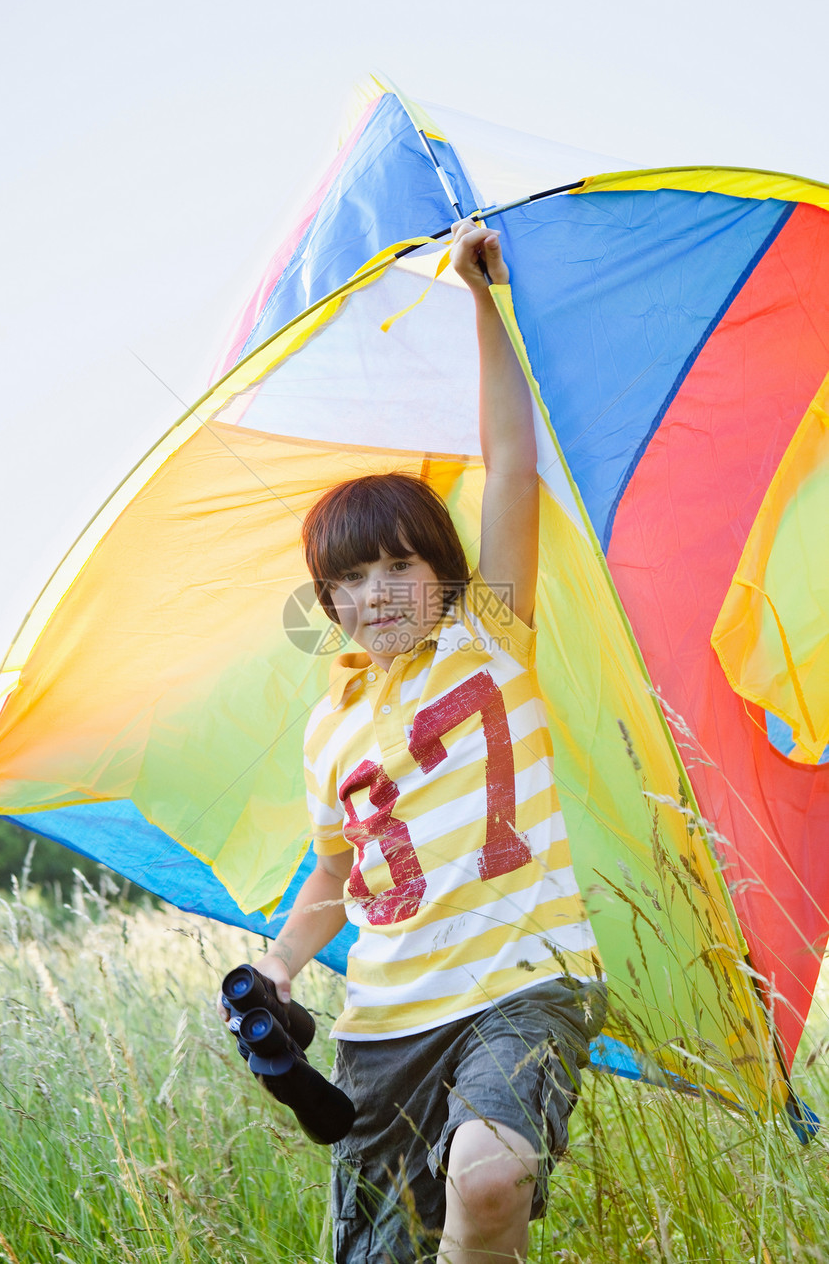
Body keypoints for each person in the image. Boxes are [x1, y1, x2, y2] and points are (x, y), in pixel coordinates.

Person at [221, 220, 605, 1263]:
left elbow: (511, 463)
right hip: (383, 1021)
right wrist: (283, 965)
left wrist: (483, 300)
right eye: (347, 580)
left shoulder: (490, 635)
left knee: (489, 1178)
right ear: (326, 601)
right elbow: (336, 874)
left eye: (396, 567)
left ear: (441, 570)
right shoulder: (329, 726)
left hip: (524, 981)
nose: (374, 594)